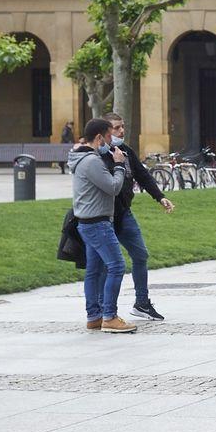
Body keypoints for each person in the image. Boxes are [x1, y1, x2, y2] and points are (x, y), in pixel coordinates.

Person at [102, 112, 174, 322]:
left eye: (122, 126)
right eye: (116, 128)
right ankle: (104, 312)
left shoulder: (125, 151)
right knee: (108, 265)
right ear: (106, 131)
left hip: (124, 213)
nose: (121, 131)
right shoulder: (98, 155)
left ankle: (141, 303)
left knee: (140, 255)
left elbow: (143, 176)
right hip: (104, 217)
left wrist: (160, 197)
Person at [69, 118, 135, 333]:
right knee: (116, 266)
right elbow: (113, 187)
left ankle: (94, 316)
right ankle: (109, 316)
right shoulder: (92, 161)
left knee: (94, 270)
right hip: (97, 223)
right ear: (99, 137)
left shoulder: (81, 158)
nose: (111, 140)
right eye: (108, 136)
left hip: (88, 222)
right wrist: (118, 165)